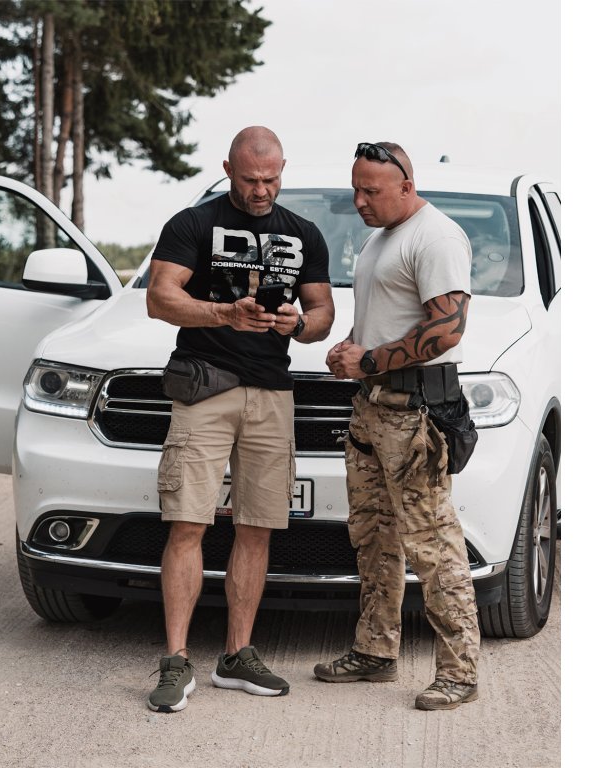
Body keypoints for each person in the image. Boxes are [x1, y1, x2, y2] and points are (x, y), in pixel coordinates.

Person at [145, 126, 335, 713]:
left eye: (271, 179)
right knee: (187, 522)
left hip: (272, 394)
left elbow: (322, 312)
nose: (261, 190)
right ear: (227, 168)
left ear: (283, 169)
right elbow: (159, 297)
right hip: (206, 387)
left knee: (258, 526)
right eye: (251, 179)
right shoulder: (193, 223)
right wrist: (223, 313)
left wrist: (299, 325)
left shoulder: (303, 233)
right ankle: (176, 660)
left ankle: (237, 655)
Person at [313, 141, 481, 711]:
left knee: (433, 546)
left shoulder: (436, 237)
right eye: (356, 189)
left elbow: (447, 329)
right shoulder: (381, 237)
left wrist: (369, 360)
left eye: (372, 191)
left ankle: (459, 673)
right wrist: (351, 351)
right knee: (373, 536)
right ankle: (375, 651)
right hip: (372, 409)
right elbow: (386, 322)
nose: (359, 201)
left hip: (414, 414)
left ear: (407, 186)